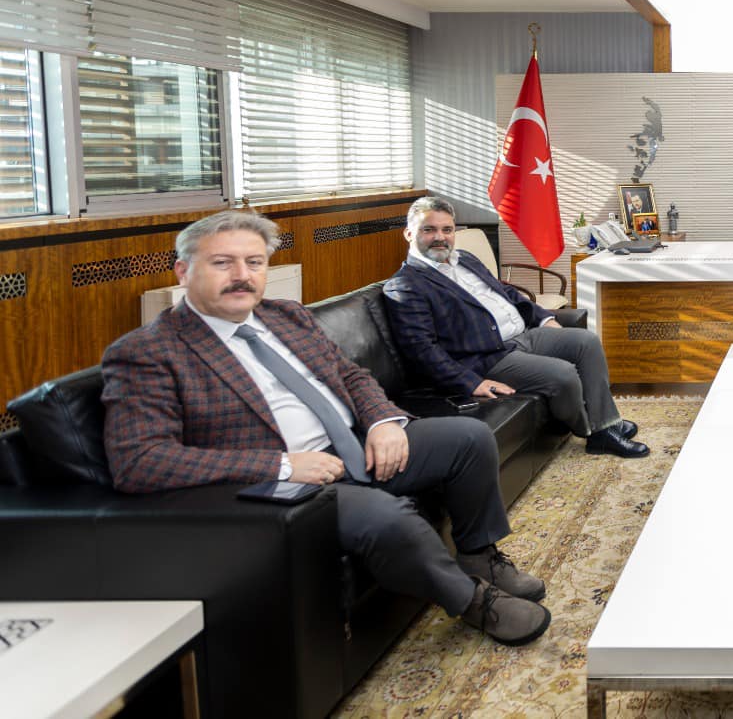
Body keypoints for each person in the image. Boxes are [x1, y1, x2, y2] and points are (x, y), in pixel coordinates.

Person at [100, 211, 552, 646]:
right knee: (389, 519)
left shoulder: (286, 315)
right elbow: (139, 461)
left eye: (254, 262)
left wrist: (383, 420)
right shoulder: (148, 351)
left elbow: (351, 375)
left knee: (468, 438)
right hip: (288, 483)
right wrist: (281, 465)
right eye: (222, 263)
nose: (242, 275)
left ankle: (479, 556)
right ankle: (473, 601)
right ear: (183, 271)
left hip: (357, 443)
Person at [383, 197, 648, 458]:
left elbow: (506, 293)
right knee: (563, 373)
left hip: (523, 335)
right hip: (488, 357)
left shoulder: (465, 259)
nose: (440, 237)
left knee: (586, 342)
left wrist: (544, 319)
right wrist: (471, 382)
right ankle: (597, 431)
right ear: (409, 234)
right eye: (429, 230)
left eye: (447, 229)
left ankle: (605, 424)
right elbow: (421, 350)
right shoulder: (406, 285)